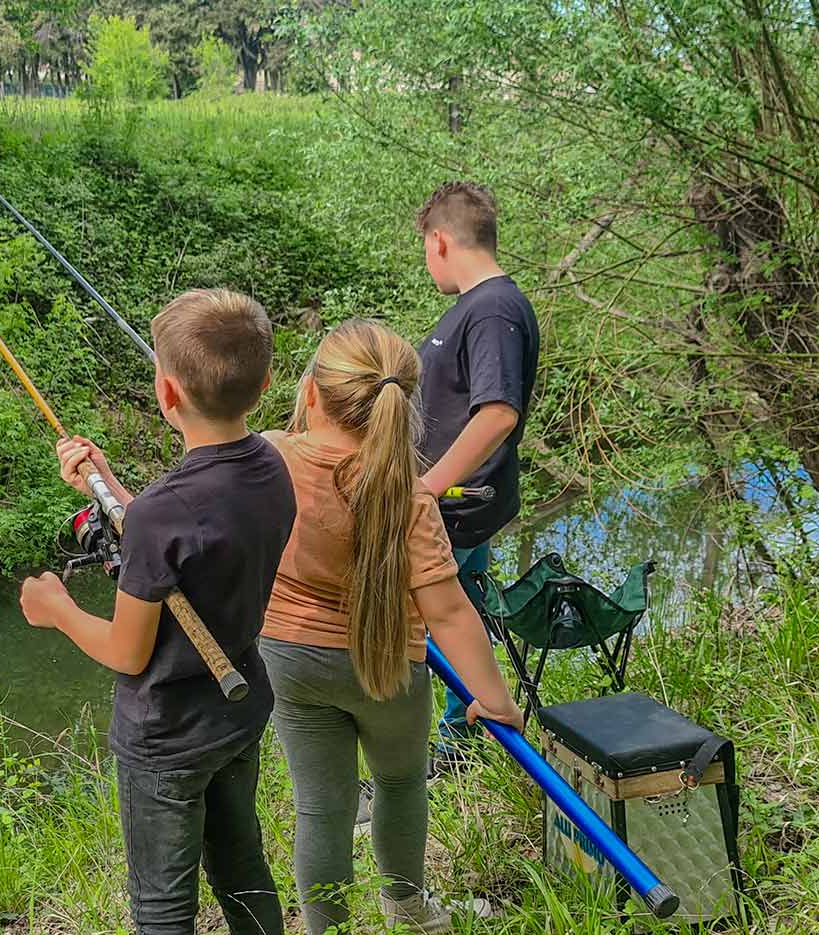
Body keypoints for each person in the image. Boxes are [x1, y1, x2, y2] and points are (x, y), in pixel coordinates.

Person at [19, 288, 294, 935]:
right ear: (262, 385)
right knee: (242, 869)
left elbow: (126, 650)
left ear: (166, 395)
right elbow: (188, 535)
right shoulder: (271, 466)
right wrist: (112, 488)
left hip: (167, 737)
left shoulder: (161, 512)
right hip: (239, 711)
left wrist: (55, 608)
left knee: (162, 905)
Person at [258, 318, 524, 935]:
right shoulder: (409, 496)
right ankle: (409, 910)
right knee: (401, 782)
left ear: (311, 394)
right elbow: (449, 611)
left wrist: (106, 483)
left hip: (290, 660)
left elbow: (198, 492)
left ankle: (329, 929)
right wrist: (495, 700)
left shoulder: (267, 458)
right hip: (386, 667)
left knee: (320, 807)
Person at [412, 181, 541, 747]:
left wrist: (424, 488)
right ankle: (454, 745)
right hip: (457, 505)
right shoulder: (480, 308)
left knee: (435, 626)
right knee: (460, 623)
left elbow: (497, 415)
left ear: (439, 240)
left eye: (424, 247)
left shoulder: (491, 309)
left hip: (451, 508)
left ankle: (433, 756)